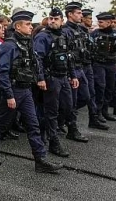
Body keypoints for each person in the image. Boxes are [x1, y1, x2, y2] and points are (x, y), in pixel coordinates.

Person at [0, 10, 62, 174]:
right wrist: (8, 95)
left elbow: (35, 63)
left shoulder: (28, 42)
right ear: (18, 26)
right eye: (27, 24)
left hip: (25, 90)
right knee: (1, 125)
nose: (30, 27)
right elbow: (1, 72)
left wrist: (40, 77)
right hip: (12, 90)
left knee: (33, 125)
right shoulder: (9, 46)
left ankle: (40, 160)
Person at [33, 8, 87, 160]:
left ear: (62, 21)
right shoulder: (43, 36)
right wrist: (41, 78)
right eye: (51, 18)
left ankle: (48, 132)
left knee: (68, 107)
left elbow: (69, 57)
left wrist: (73, 75)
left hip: (63, 77)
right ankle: (53, 142)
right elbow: (38, 59)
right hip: (51, 78)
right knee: (51, 111)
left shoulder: (64, 35)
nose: (52, 21)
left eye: (56, 19)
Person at [62, 2, 108, 131]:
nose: (81, 15)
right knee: (74, 99)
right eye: (78, 13)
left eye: (81, 13)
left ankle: (88, 118)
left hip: (83, 67)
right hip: (73, 69)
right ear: (70, 14)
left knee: (88, 96)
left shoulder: (80, 30)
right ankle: (71, 126)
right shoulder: (65, 31)